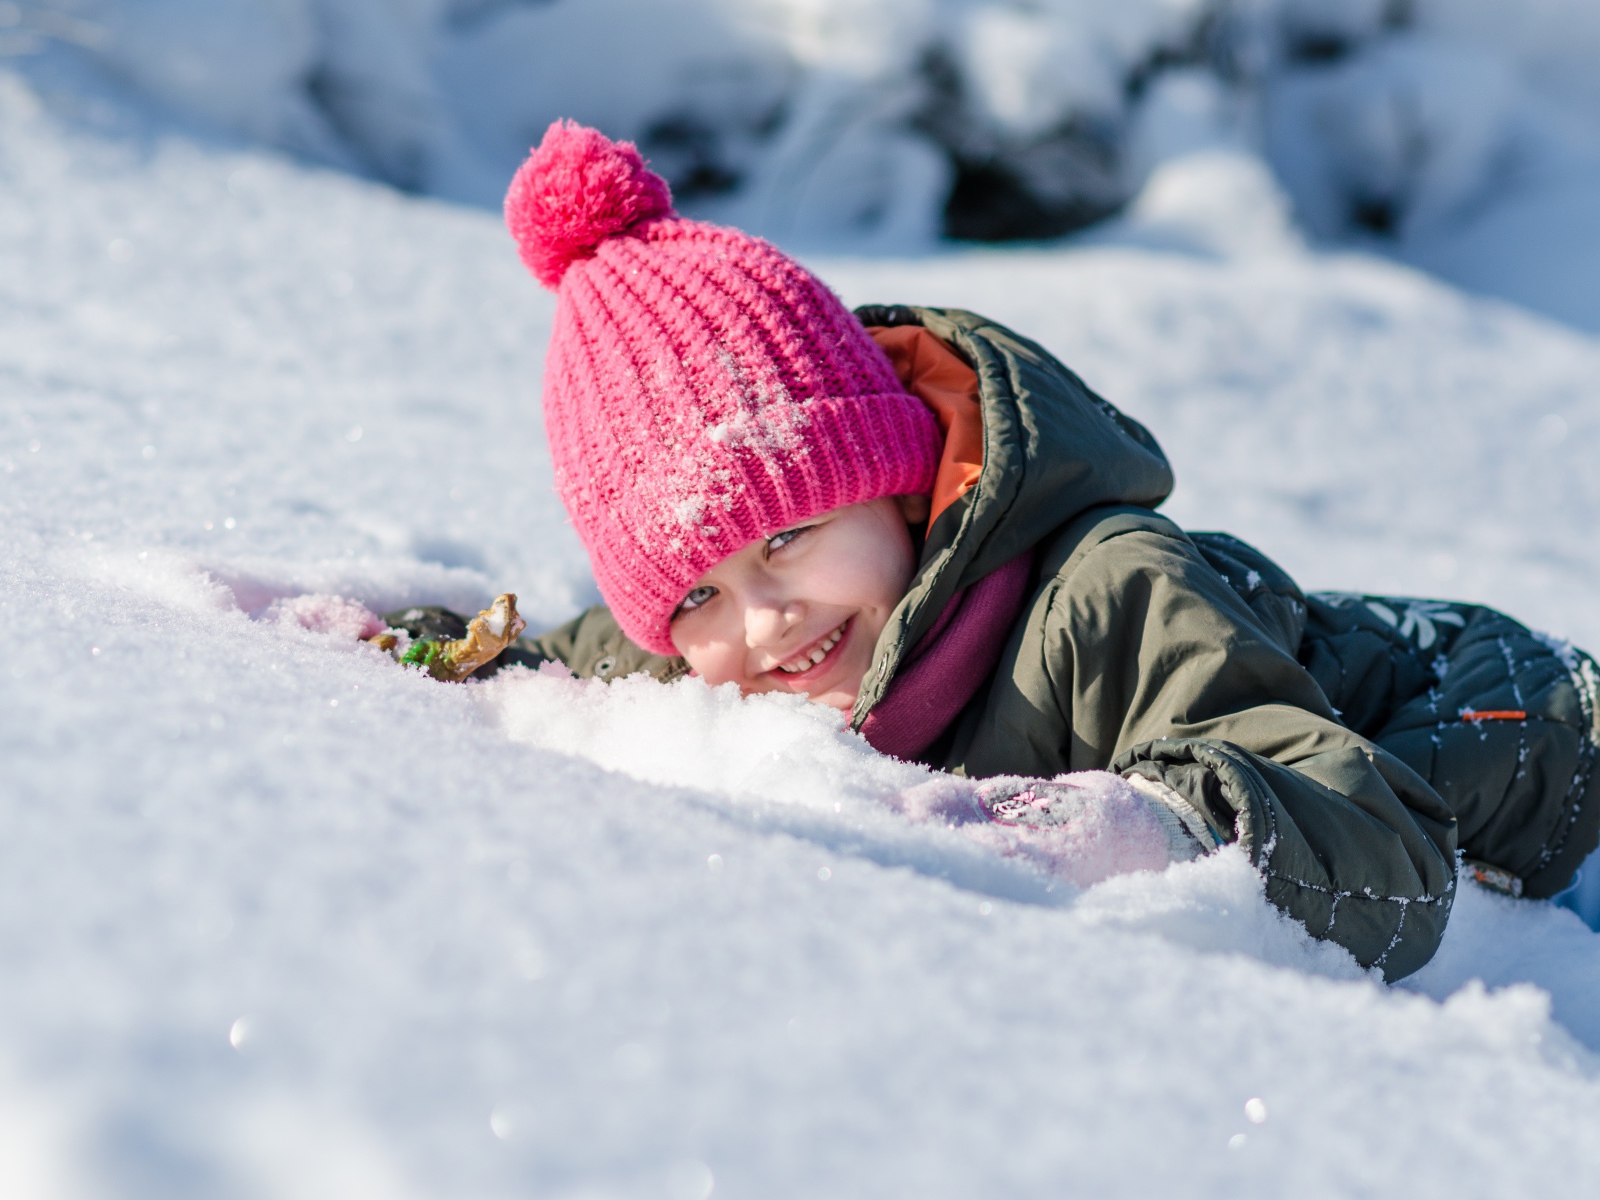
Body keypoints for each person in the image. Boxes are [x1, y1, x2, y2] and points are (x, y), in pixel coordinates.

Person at [387, 120, 1600, 981]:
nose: (761, 621)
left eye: (794, 535)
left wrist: (1155, 830)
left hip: (1531, 751)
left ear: (902, 489)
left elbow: (1382, 848)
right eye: (696, 590)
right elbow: (596, 653)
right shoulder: (733, 652)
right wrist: (446, 651)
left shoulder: (1110, 593)